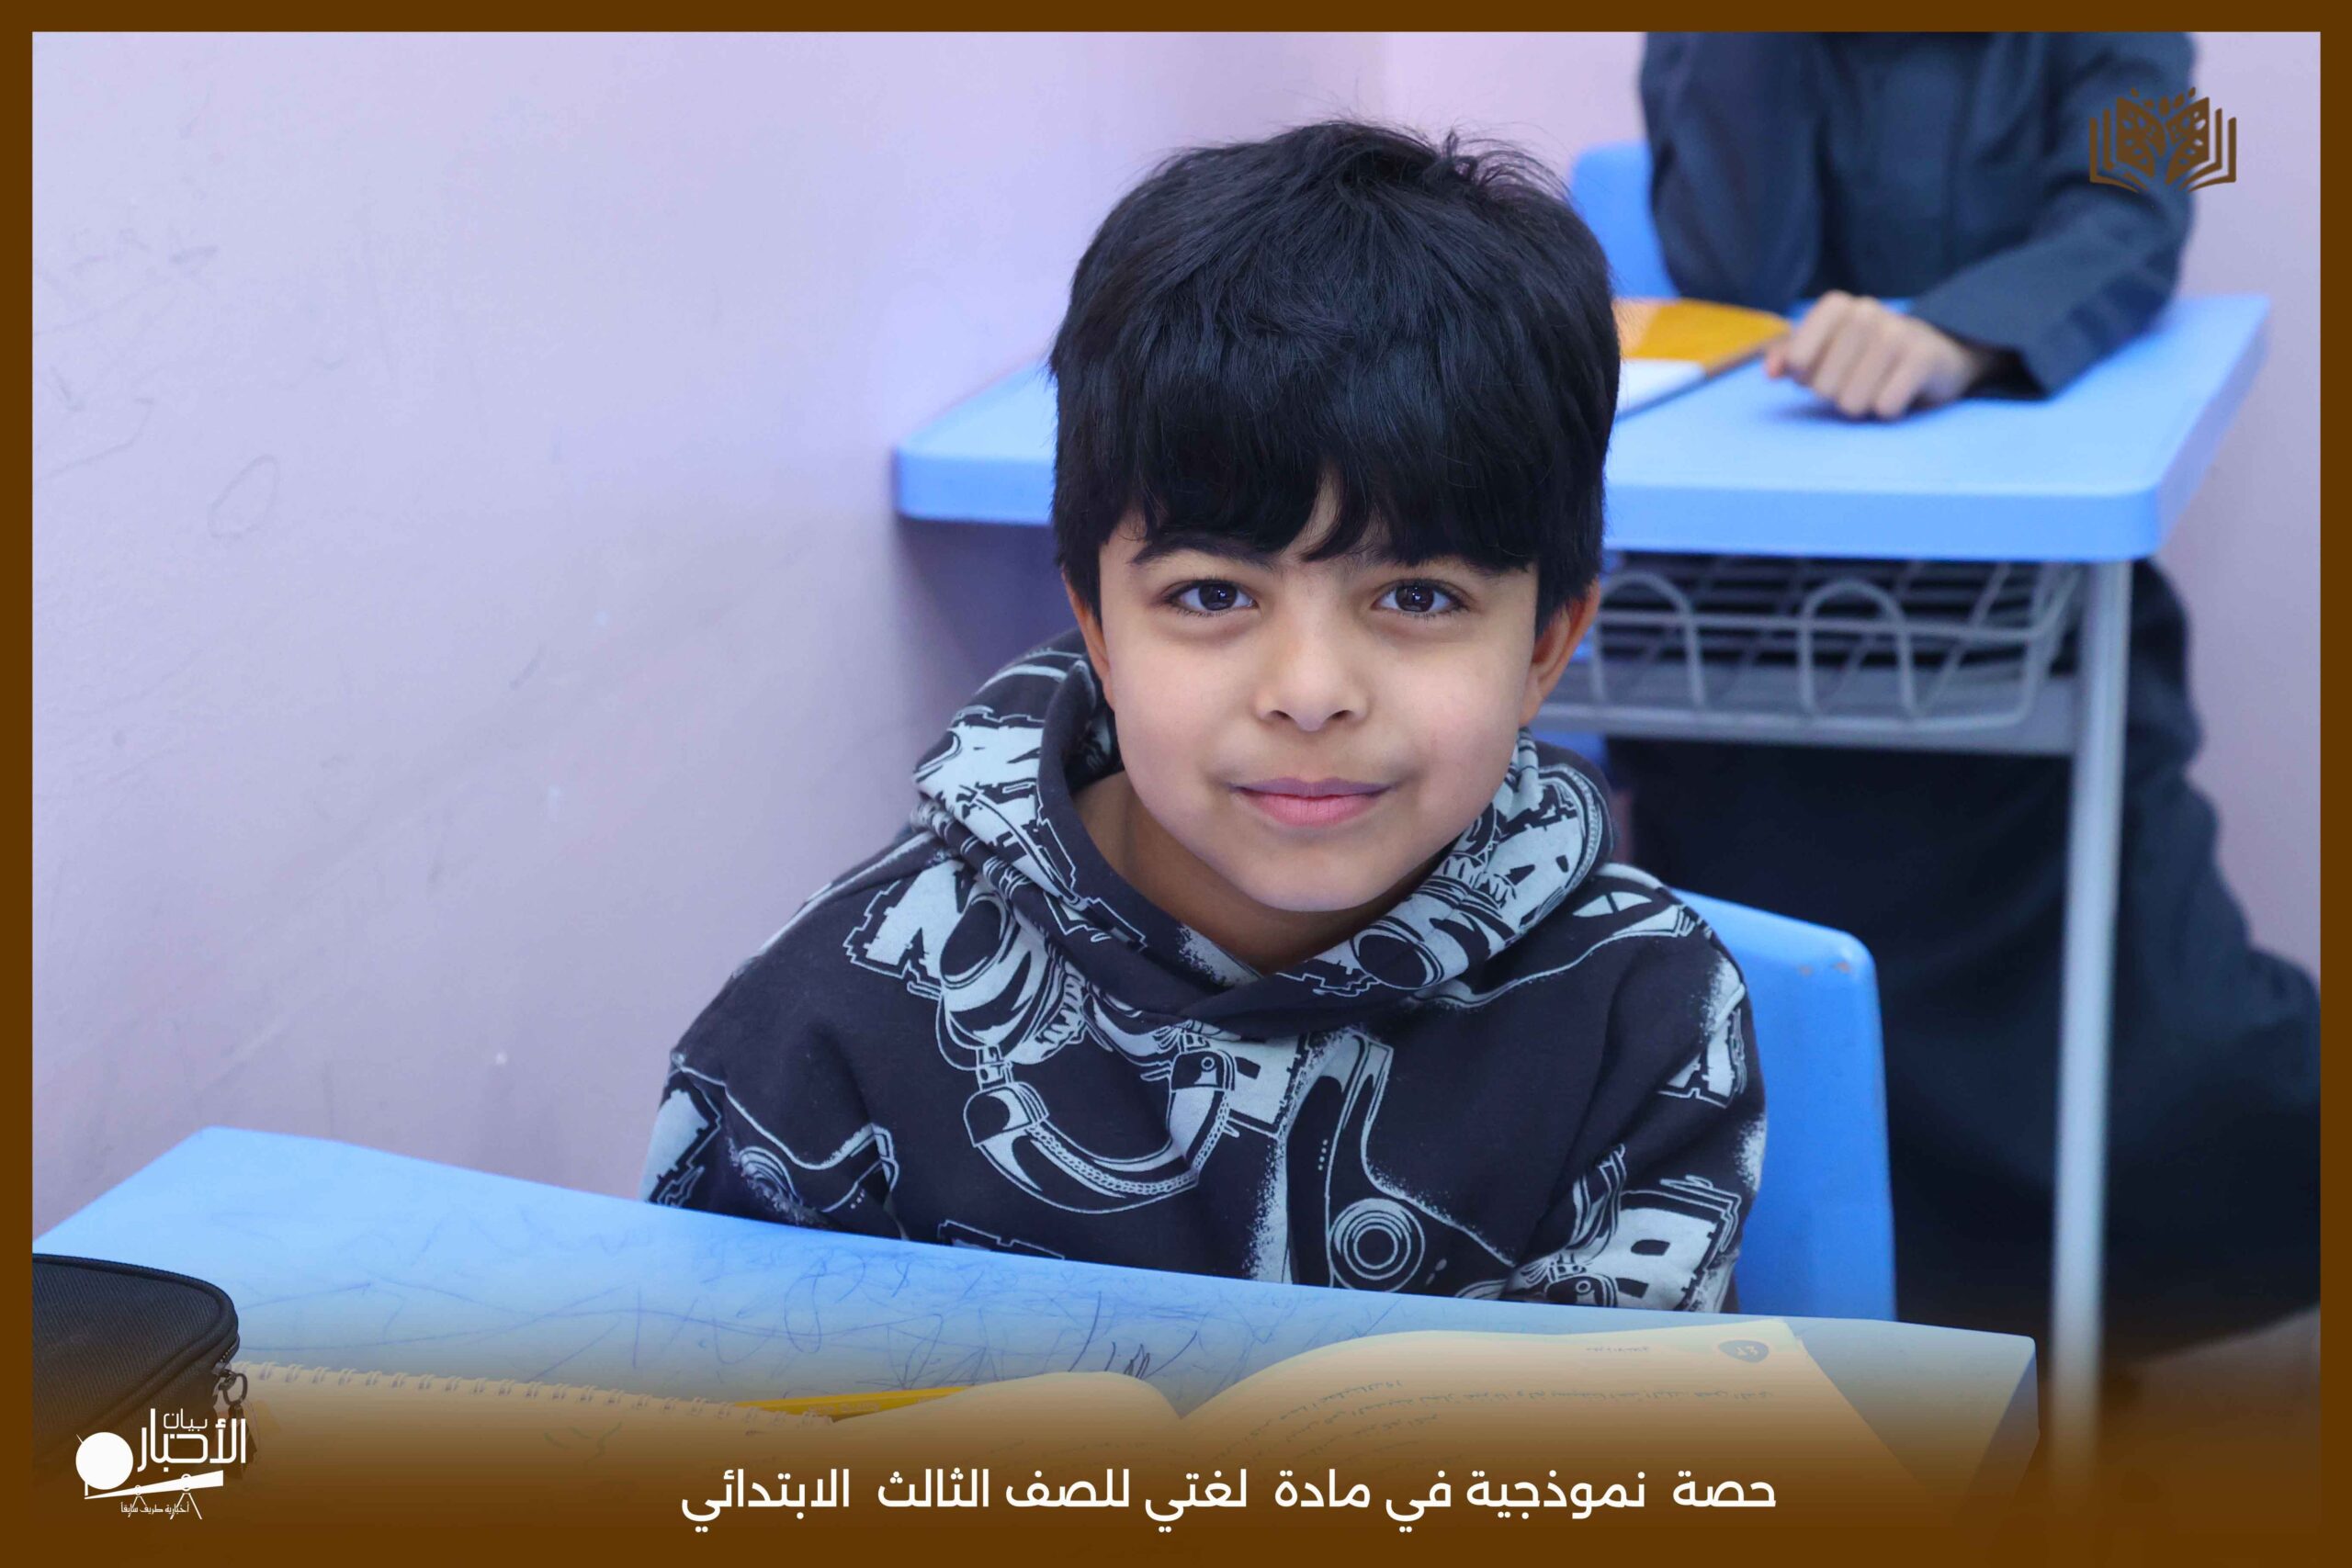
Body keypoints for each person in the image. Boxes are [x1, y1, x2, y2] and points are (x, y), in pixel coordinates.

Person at [640, 120, 1765, 1314]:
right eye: (1213, 596)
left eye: (1417, 597)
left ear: (1545, 645)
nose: (1311, 692)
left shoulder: (1643, 1011)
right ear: (1097, 626)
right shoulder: (834, 1018)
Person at [1621, 33, 2318, 1359]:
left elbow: (2146, 217)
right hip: (1753, 637)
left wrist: (1960, 336)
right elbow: (1733, 269)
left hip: (2034, 634)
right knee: (1781, 1051)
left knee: (2190, 1047)